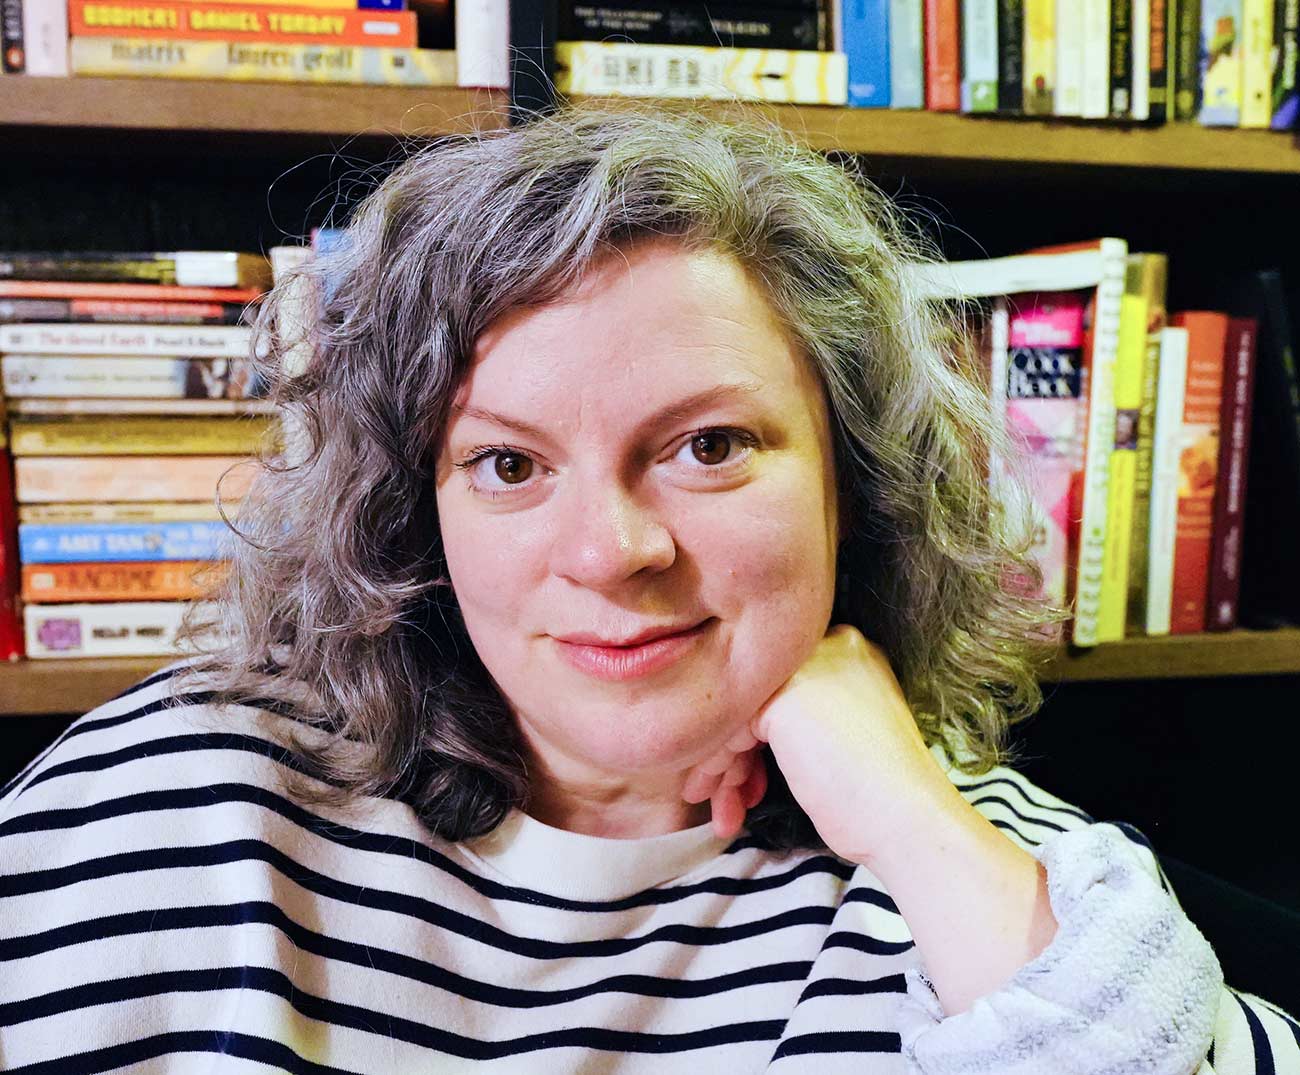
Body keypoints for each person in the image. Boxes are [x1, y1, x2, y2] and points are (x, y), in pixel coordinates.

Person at [1, 105, 1296, 1073]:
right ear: (415, 514)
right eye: (506, 463)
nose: (614, 549)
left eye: (709, 447)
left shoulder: (1001, 888)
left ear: (857, 483)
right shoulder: (167, 812)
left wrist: (912, 822)